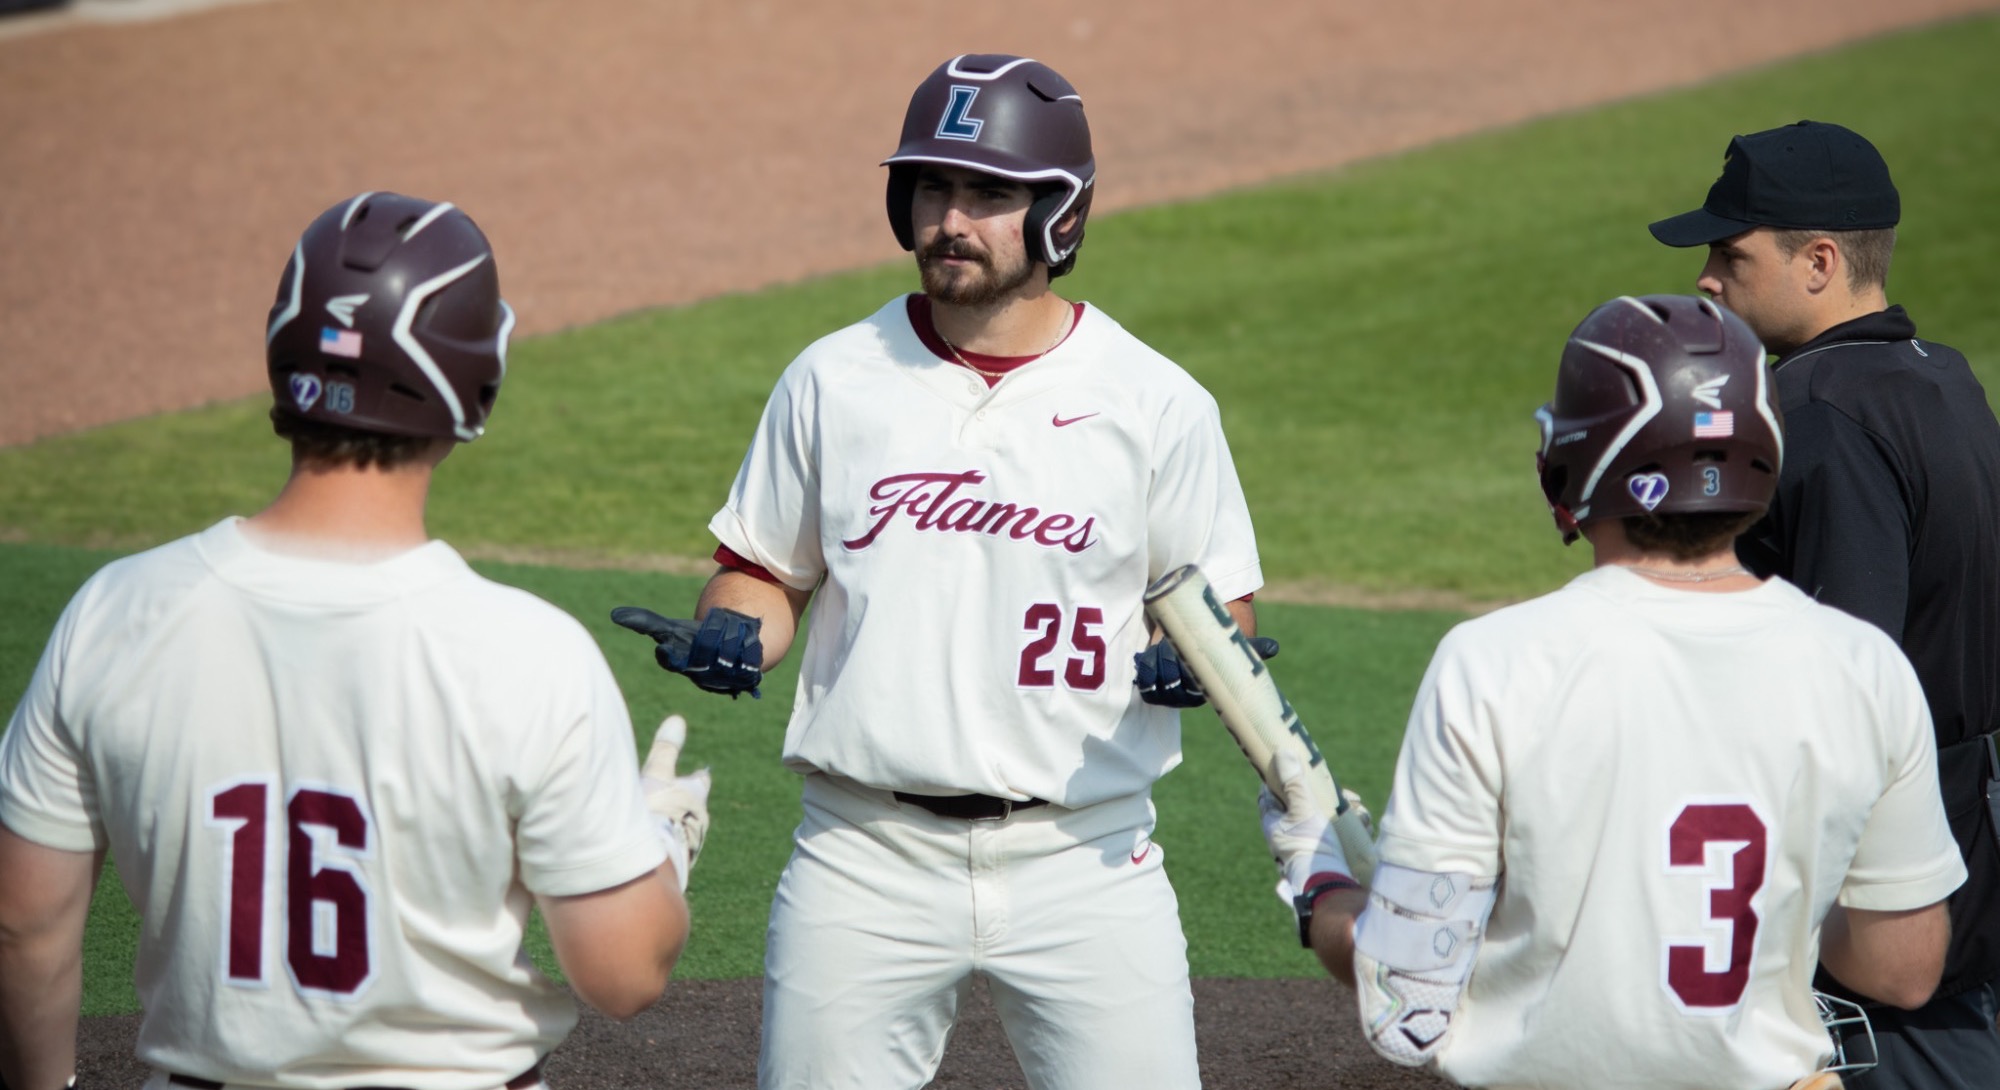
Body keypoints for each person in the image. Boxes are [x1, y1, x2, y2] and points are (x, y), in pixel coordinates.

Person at [611, 53, 1261, 1090]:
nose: (949, 219)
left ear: (1060, 214)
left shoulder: (1154, 400)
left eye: (987, 194)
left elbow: (1217, 603)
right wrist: (737, 626)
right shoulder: (834, 377)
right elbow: (762, 573)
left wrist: (1190, 659)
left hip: (1085, 860)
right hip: (861, 856)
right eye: (930, 187)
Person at [0, 192, 709, 1090]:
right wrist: (656, 846)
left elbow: (21, 922)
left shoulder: (114, 610)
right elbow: (622, 974)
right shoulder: (529, 655)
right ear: (475, 382)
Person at [1259, 294, 1966, 1089]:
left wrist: (1320, 883)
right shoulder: (1864, 667)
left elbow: (1409, 1006)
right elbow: (1900, 968)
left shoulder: (1494, 662)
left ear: (1577, 463)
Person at [1650, 120, 2000, 1089]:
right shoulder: (1944, 382)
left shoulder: (1812, 417)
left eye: (1730, 254)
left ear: (1816, 262)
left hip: (1878, 931)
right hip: (1964, 856)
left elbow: (1842, 691)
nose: (1708, 280)